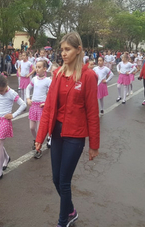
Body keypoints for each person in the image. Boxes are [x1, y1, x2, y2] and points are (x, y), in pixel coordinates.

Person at [35, 32, 100, 227]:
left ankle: (63, 221)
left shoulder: (88, 76)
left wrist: (94, 145)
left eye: (68, 49)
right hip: (57, 133)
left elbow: (92, 112)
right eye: (62, 49)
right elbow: (48, 108)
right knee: (56, 179)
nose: (63, 53)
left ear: (78, 50)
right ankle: (70, 210)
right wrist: (40, 137)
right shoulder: (57, 74)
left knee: (64, 181)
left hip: (75, 136)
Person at [0, 72, 26, 181]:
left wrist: (13, 115)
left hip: (5, 120)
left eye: (2, 90)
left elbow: (23, 105)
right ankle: (6, 158)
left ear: (6, 86)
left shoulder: (12, 93)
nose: (0, 92)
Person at [26, 60, 52, 158]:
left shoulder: (48, 81)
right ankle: (36, 140)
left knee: (39, 128)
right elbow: (28, 88)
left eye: (39, 67)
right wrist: (28, 98)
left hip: (42, 107)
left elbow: (51, 94)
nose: (37, 69)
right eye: (36, 67)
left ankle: (38, 148)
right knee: (32, 128)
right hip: (33, 106)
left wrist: (46, 103)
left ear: (45, 69)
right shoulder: (34, 79)